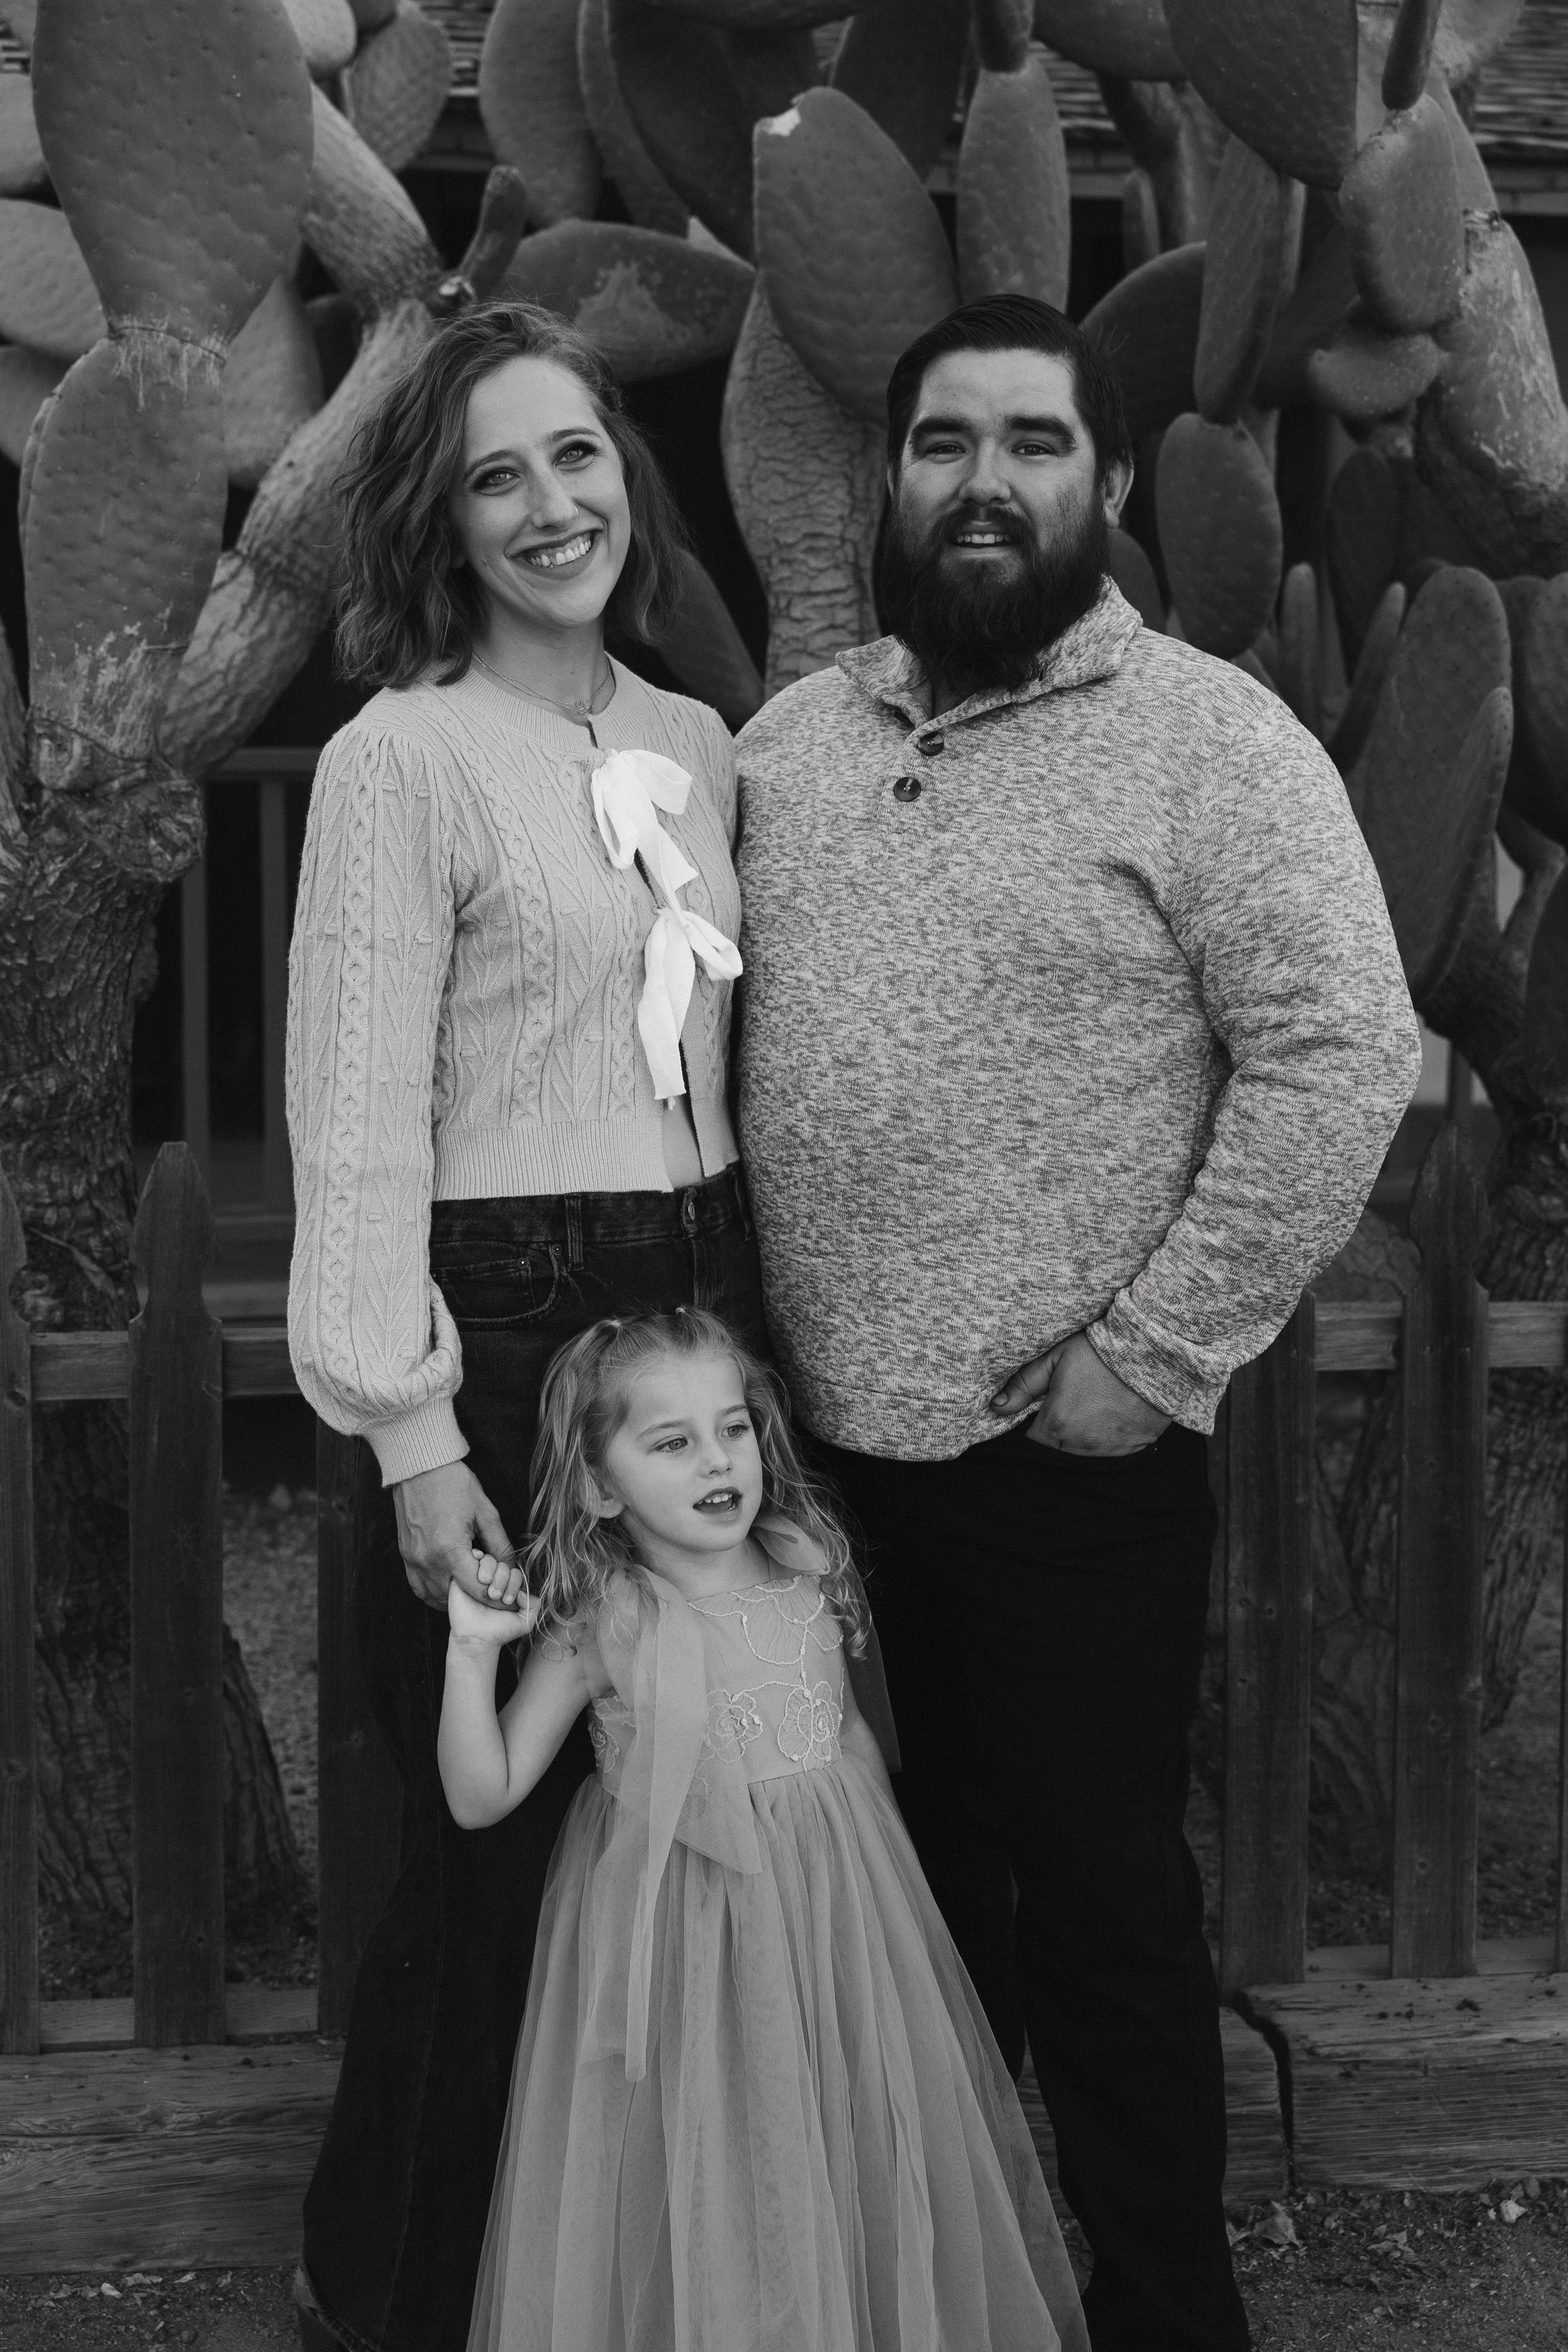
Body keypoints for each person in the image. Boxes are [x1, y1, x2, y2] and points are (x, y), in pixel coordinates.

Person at [733, 294, 1422, 2352]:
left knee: (1108, 1920)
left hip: (1069, 1465)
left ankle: (1160, 2309)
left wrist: (1156, 1356)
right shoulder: (792, 746)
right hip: (827, 1467)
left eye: (1034, 444)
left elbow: (1338, 1049)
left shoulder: (1209, 743)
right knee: (901, 1910)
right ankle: (942, 2283)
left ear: (1106, 488)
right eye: (946, 443)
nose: (983, 483)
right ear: (890, 476)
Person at [285, 301, 766, 2352]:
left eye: (577, 457)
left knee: (676, 1825)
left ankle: (613, 2288)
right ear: (445, 519)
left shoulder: (695, 746)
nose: (551, 503)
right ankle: (388, 2298)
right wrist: (412, 1440)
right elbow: (358, 1110)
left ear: (624, 482)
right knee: (493, 1851)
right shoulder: (400, 758)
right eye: (499, 474)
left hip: (699, 1307)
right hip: (506, 1327)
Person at [440, 1307, 1090, 2352]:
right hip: (689, 1947)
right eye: (671, 1441)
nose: (717, 1460)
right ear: (602, 1485)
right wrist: (473, 1652)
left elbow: (860, 1751)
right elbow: (485, 1792)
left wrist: (890, 1910)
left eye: (733, 1428)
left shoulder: (809, 1565)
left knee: (842, 2133)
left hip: (836, 1919)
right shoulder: (603, 1616)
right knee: (713, 2154)